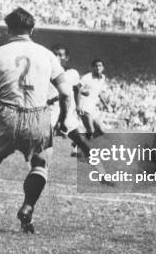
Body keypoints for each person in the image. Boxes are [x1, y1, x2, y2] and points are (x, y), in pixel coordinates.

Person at [0, 7, 71, 233]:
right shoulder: (48, 55)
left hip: (7, 114)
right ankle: (28, 207)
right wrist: (63, 121)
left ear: (8, 29)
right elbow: (66, 93)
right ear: (33, 29)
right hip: (38, 116)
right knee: (40, 164)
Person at [47, 44, 114, 186]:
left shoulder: (72, 73)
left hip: (66, 116)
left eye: (61, 55)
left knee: (84, 143)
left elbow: (77, 88)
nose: (57, 57)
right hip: (49, 115)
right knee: (40, 147)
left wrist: (78, 104)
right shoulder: (45, 73)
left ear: (67, 58)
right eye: (55, 54)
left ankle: (103, 175)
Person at [78, 59, 109, 139]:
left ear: (103, 67)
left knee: (101, 131)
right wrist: (83, 91)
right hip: (84, 106)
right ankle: (81, 146)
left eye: (100, 66)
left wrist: (105, 104)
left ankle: (77, 143)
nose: (98, 68)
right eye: (96, 66)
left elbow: (99, 93)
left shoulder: (103, 78)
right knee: (90, 130)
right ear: (92, 68)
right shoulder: (87, 77)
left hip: (92, 107)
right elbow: (76, 88)